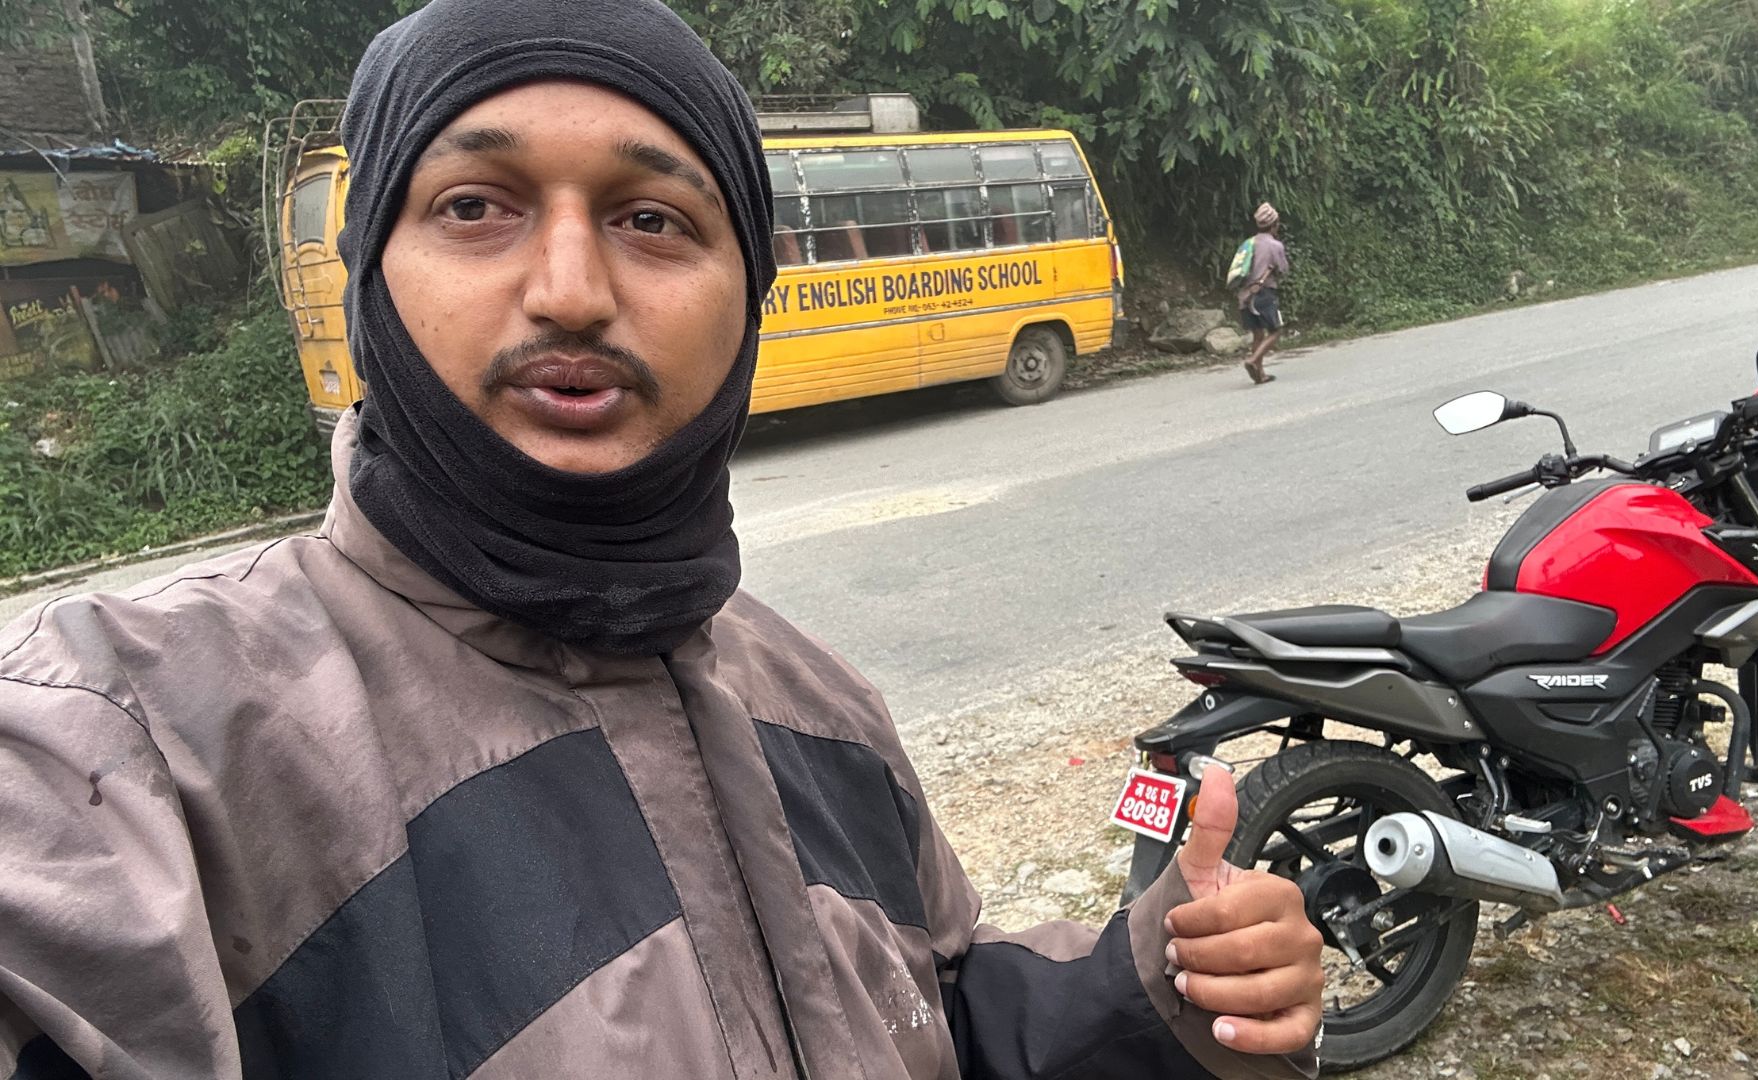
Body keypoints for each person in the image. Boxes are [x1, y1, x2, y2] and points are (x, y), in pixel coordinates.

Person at [0, 2, 1326, 1077]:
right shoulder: (130, 746)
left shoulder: (823, 709)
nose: (571, 289)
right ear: (372, 280)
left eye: (655, 221)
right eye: (475, 206)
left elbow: (938, 1016)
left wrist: (1149, 986)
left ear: (745, 297)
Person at [1238, 203, 1290, 385]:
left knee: (1257, 335)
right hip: (1264, 293)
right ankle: (1253, 361)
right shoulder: (1275, 245)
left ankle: (1260, 374)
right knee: (1276, 331)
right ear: (1274, 224)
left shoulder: (1248, 243)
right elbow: (1283, 270)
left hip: (1245, 294)